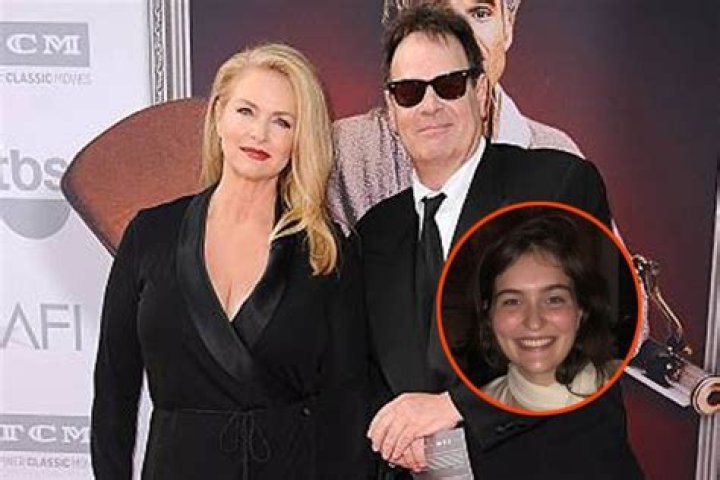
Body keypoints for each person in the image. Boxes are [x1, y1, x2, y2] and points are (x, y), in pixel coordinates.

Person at [357, 5, 642, 478]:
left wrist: (454, 405)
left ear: (481, 91)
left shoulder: (557, 184)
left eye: (449, 85)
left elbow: (592, 334)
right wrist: (393, 433)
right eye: (409, 92)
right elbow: (364, 372)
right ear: (391, 110)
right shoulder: (375, 233)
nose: (429, 106)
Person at [90, 43, 369, 480]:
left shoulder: (325, 251)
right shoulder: (150, 234)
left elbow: (347, 406)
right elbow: (113, 390)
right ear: (219, 114)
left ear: (299, 140)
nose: (259, 134)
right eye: (246, 111)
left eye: (282, 122)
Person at [330, 0, 582, 229]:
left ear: (508, 26)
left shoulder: (557, 157)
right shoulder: (346, 153)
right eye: (438, 13)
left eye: (480, 13)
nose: (463, 36)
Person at [470, 210, 623, 411]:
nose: (534, 322)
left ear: (580, 310)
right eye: (512, 301)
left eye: (553, 300)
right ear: (489, 315)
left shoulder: (631, 392)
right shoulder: (475, 411)